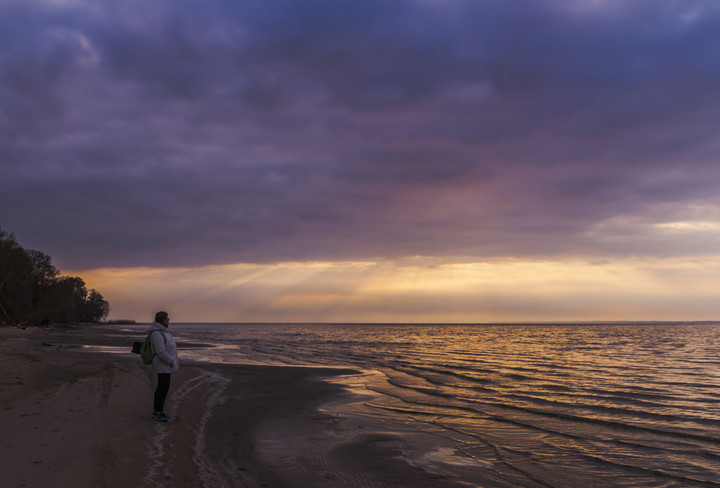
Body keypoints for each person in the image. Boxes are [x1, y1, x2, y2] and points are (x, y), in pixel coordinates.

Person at [148, 311, 178, 422]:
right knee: (162, 389)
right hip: (163, 365)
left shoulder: (163, 332)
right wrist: (171, 360)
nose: (169, 320)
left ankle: (157, 411)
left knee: (162, 388)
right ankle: (158, 412)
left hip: (166, 365)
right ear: (162, 320)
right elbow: (160, 351)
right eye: (167, 319)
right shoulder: (157, 333)